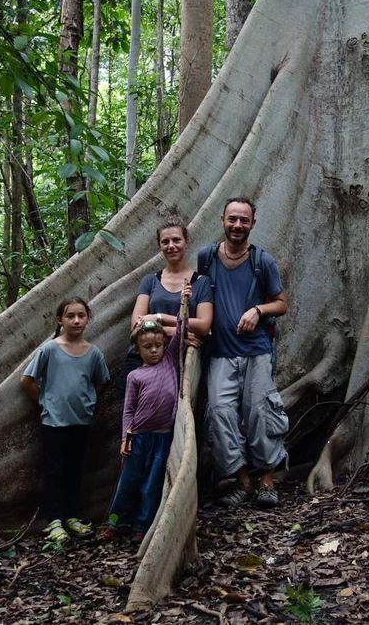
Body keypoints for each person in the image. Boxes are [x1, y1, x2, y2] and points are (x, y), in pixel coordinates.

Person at [198, 197, 289, 509]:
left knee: (260, 414)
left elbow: (281, 303)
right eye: (232, 219)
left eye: (244, 220)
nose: (237, 225)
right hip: (220, 354)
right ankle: (242, 482)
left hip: (256, 352)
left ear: (253, 223)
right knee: (220, 415)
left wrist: (258, 310)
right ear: (222, 219)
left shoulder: (262, 261)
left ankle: (267, 481)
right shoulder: (206, 258)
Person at [101, 284, 190, 543]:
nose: (154, 350)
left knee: (152, 485)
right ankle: (116, 523)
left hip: (163, 439)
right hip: (138, 437)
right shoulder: (135, 375)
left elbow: (182, 331)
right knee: (127, 483)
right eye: (147, 346)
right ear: (137, 350)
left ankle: (142, 525)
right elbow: (128, 410)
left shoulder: (170, 361)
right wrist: (124, 438)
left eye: (158, 345)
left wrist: (184, 302)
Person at [20, 296, 110, 544]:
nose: (76, 320)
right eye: (70, 316)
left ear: (88, 319)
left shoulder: (94, 354)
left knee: (74, 470)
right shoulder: (49, 349)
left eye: (81, 315)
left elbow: (102, 381)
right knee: (54, 471)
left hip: (81, 421)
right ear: (60, 320)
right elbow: (27, 380)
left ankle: (72, 516)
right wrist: (44, 402)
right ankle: (54, 521)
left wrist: (88, 403)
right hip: (54, 423)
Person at [119, 216, 212, 388]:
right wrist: (177, 333)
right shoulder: (150, 281)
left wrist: (158, 316)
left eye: (176, 240)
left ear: (186, 242)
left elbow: (204, 325)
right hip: (142, 359)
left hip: (179, 362)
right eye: (165, 241)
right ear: (159, 245)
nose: (171, 246)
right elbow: (137, 324)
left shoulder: (201, 282)